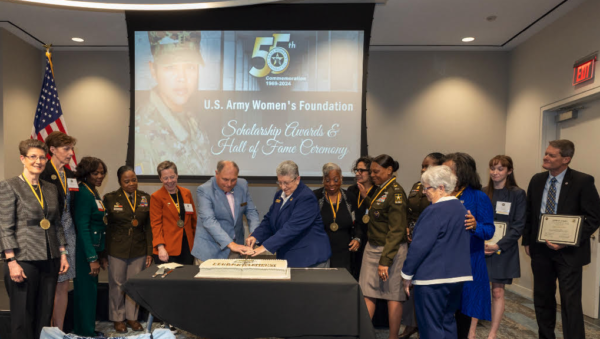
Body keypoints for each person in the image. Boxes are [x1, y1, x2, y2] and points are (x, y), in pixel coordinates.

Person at [522, 140, 600, 339]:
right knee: (543, 298)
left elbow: (594, 217)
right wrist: (527, 241)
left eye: (551, 155)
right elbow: (529, 212)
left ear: (566, 159)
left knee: (570, 302)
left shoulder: (583, 181)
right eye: (546, 154)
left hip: (569, 252)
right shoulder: (537, 180)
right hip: (540, 250)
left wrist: (569, 240)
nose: (545, 158)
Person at [0, 139, 69, 339]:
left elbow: (57, 223)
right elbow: (5, 226)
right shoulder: (9, 186)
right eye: (33, 157)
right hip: (23, 259)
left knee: (44, 315)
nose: (38, 161)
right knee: (22, 316)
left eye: (42, 157)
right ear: (23, 159)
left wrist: (63, 253)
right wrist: (11, 261)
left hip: (51, 258)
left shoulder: (50, 188)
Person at [401, 165, 473, 339]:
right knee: (447, 322)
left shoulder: (434, 211)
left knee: (430, 327)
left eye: (427, 188)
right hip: (457, 278)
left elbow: (419, 247)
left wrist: (406, 274)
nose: (424, 192)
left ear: (441, 188)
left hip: (432, 279)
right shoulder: (461, 209)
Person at [135, 31, 211, 175]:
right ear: (153, 70)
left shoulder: (192, 120)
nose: (182, 78)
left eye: (190, 67)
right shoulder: (142, 131)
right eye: (170, 67)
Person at [443, 152, 495, 339]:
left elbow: (489, 230)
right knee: (444, 312)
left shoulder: (479, 197)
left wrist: (475, 226)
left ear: (462, 172)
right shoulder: (443, 194)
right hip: (444, 263)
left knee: (463, 312)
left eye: (448, 169)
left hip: (469, 262)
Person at [357, 154, 409, 339]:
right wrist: (367, 197)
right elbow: (379, 213)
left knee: (393, 295)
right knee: (367, 292)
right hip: (373, 248)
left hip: (391, 252)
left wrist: (385, 261)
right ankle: (364, 334)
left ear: (389, 170)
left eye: (376, 171)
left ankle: (392, 336)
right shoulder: (381, 189)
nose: (372, 175)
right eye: (371, 171)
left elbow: (396, 231)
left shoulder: (396, 192)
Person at [246, 160, 331, 267]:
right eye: (280, 182)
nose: (283, 187)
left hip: (309, 259)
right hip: (289, 257)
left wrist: (264, 247)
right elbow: (269, 220)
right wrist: (256, 236)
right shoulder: (279, 195)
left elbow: (292, 228)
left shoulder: (306, 197)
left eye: (286, 182)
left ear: (297, 179)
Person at [399, 152, 445, 339]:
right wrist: (408, 228)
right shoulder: (418, 187)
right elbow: (409, 211)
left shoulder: (441, 190)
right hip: (414, 239)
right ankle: (411, 324)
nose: (423, 169)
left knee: (425, 285)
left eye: (428, 166)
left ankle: (426, 325)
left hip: (430, 242)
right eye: (422, 166)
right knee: (411, 284)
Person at [104, 166, 153, 333]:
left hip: (138, 248)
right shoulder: (110, 198)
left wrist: (149, 251)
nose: (132, 183)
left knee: (133, 284)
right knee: (117, 284)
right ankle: (118, 318)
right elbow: (107, 227)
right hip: (117, 248)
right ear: (120, 182)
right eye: (127, 181)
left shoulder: (145, 198)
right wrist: (104, 253)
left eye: (134, 180)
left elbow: (148, 227)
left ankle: (132, 317)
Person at [482, 155, 526, 339]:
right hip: (481, 249)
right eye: (492, 168)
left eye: (500, 169)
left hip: (502, 249)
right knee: (478, 290)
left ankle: (492, 334)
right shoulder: (483, 192)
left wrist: (497, 245)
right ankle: (471, 331)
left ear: (509, 171)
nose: (495, 172)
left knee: (498, 291)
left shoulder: (517, 194)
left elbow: (518, 225)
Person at [40, 131, 77, 330]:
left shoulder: (69, 174)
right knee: (51, 284)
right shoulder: (44, 172)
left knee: (64, 284)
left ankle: (60, 330)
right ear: (52, 150)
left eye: (71, 148)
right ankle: (49, 329)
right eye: (66, 149)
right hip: (50, 233)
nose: (71, 153)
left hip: (69, 232)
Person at [192, 160, 259, 262]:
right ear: (216, 174)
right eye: (225, 179)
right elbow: (209, 221)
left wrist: (254, 234)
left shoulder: (242, 185)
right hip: (210, 251)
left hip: (236, 250)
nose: (229, 184)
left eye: (233, 180)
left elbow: (251, 212)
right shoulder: (204, 190)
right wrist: (231, 244)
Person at [72, 156, 108, 337]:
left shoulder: (93, 191)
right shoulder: (83, 193)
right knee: (86, 293)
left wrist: (100, 255)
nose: (100, 176)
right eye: (95, 173)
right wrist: (92, 258)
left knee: (90, 292)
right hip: (84, 253)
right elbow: (83, 228)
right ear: (86, 174)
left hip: (93, 250)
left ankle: (86, 329)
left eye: (102, 173)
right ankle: (85, 332)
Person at [313, 163, 361, 273]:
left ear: (341, 179)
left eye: (335, 180)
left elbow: (357, 221)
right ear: (323, 180)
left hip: (344, 251)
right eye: (327, 180)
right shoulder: (315, 197)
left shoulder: (349, 197)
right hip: (321, 250)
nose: (331, 184)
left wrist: (357, 238)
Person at [150, 161, 197, 266]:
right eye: (165, 178)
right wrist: (160, 247)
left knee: (187, 279)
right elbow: (156, 225)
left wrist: (197, 244)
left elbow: (193, 220)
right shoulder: (156, 197)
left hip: (187, 247)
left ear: (177, 176)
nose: (169, 181)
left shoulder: (186, 193)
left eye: (172, 177)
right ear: (160, 178)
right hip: (167, 249)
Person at [347, 156, 377, 279]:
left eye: (361, 170)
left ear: (371, 172)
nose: (358, 173)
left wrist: (365, 196)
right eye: (356, 170)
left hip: (371, 238)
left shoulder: (378, 190)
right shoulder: (352, 190)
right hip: (355, 237)